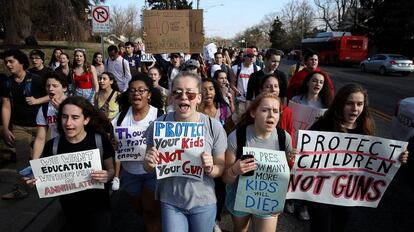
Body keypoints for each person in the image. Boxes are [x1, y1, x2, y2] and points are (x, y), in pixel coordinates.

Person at [307, 84, 409, 232]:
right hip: (320, 196)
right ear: (341, 103)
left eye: (359, 104)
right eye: (350, 103)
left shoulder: (365, 128)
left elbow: (374, 159)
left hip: (347, 196)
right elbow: (307, 154)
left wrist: (397, 157)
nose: (355, 108)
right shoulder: (323, 125)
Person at [143, 72, 227, 232]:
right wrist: (148, 162)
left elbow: (220, 167)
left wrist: (211, 168)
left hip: (204, 201)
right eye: (177, 92)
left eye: (190, 93)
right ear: (171, 97)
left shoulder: (213, 126)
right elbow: (147, 167)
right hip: (171, 202)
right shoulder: (158, 125)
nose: (184, 97)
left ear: (199, 98)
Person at [25, 96, 115, 232]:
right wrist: (36, 181)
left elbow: (111, 169)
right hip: (70, 209)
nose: (68, 123)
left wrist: (107, 175)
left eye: (75, 117)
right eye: (64, 117)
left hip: (99, 208)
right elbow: (47, 178)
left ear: (86, 119)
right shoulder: (53, 146)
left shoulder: (99, 141)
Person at [222, 92, 296, 232]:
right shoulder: (236, 137)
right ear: (253, 113)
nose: (271, 115)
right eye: (265, 110)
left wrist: (294, 161)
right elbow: (226, 179)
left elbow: (285, 175)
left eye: (275, 111)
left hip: (268, 200)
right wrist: (234, 170)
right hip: (239, 196)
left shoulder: (284, 138)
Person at [111, 74, 163, 231]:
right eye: (132, 90)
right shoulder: (119, 119)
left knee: (151, 211)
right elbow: (115, 144)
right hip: (129, 173)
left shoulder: (159, 116)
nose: (136, 93)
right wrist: (114, 143)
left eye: (141, 90)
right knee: (139, 210)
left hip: (152, 173)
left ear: (149, 95)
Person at [1, 49, 48, 200]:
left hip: (41, 126)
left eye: (11, 61)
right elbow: (6, 105)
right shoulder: (7, 82)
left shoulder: (36, 79)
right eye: (6, 62)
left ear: (21, 62)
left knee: (46, 156)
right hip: (19, 127)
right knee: (22, 159)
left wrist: (37, 101)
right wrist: (6, 128)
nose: (8, 65)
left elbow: (52, 94)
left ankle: (52, 186)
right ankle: (21, 189)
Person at [32, 72, 68, 159]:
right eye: (48, 86)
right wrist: (34, 162)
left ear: (64, 88)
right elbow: (40, 138)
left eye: (55, 86)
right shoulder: (44, 109)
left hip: (78, 150)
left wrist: (62, 110)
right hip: (57, 150)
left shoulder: (76, 104)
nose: (50, 89)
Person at [260, 74, 294, 142]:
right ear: (261, 90)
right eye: (268, 86)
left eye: (276, 86)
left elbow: (290, 134)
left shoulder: (287, 111)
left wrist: (290, 150)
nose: (273, 90)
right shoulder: (255, 109)